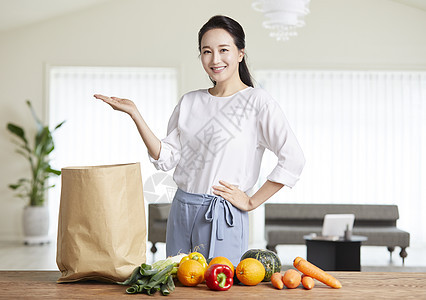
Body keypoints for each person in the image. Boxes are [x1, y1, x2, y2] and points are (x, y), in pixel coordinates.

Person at [94, 15, 305, 265]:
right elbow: (166, 158)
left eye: (223, 50)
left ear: (240, 53)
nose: (215, 59)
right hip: (182, 209)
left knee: (218, 288)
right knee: (176, 283)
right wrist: (135, 114)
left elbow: (293, 159)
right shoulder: (190, 102)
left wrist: (251, 201)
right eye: (207, 51)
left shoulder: (257, 102)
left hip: (223, 215)